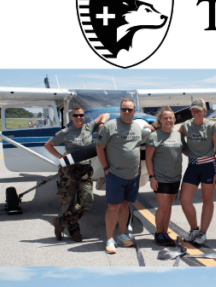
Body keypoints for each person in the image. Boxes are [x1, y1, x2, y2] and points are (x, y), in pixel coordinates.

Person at [43, 105, 105, 242]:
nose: (79, 118)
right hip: (68, 171)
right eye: (76, 115)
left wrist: (101, 125)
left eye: (81, 115)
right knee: (68, 202)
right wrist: (60, 157)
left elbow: (104, 115)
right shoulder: (65, 132)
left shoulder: (89, 127)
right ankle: (74, 230)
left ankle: (61, 222)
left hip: (84, 170)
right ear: (71, 117)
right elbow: (48, 145)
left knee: (87, 199)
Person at [96, 98, 148, 254]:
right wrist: (105, 168)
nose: (127, 112)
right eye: (124, 109)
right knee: (113, 207)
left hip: (133, 175)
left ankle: (122, 235)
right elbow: (99, 147)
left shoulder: (137, 128)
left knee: (125, 205)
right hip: (115, 174)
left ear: (134, 112)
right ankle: (110, 239)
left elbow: (138, 147)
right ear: (120, 110)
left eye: (130, 110)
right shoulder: (110, 126)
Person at [179, 99, 216, 246]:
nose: (196, 113)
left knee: (207, 200)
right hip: (192, 166)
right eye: (193, 110)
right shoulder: (186, 126)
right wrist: (186, 151)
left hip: (209, 167)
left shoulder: (213, 127)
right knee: (184, 199)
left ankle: (203, 233)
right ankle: (194, 229)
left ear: (205, 111)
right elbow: (177, 138)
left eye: (199, 110)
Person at [145, 107, 185, 247]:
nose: (169, 120)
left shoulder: (178, 136)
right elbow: (148, 159)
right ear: (160, 120)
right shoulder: (154, 136)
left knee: (169, 207)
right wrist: (152, 177)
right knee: (163, 206)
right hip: (160, 177)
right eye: (166, 118)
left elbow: (186, 151)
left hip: (175, 177)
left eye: (171, 118)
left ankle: (165, 232)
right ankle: (158, 233)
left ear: (174, 120)